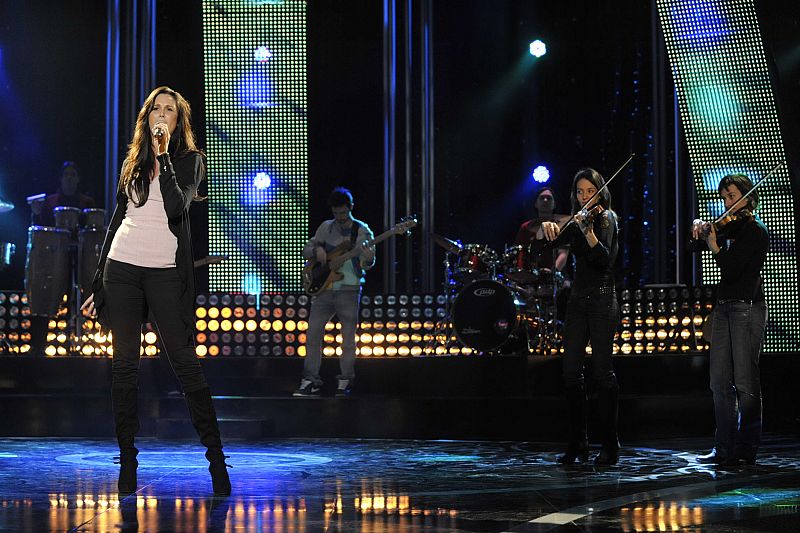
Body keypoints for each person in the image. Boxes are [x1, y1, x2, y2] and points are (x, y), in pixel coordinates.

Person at [80, 86, 231, 496]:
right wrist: (99, 280)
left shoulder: (190, 160)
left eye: (170, 110)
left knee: (184, 361)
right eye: (156, 109)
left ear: (178, 122)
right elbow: (117, 219)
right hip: (122, 267)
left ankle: (217, 460)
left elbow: (177, 208)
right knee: (124, 364)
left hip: (164, 272)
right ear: (146, 118)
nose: (162, 115)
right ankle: (127, 461)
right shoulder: (132, 161)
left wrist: (164, 158)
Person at [541, 168, 621, 465]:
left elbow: (604, 259)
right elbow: (547, 246)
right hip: (577, 300)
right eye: (579, 192)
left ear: (600, 192)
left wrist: (588, 232)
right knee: (571, 372)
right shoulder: (576, 221)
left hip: (602, 299)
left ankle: (610, 444)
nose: (585, 197)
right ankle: (578, 442)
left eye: (590, 191)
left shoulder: (607, 218)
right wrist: (549, 228)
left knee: (602, 372)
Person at [691, 173, 768, 467]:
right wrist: (698, 229)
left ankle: (746, 450)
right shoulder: (731, 227)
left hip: (746, 308)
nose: (726, 203)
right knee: (719, 381)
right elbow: (693, 248)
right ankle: (723, 448)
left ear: (747, 197)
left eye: (732, 196)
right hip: (724, 308)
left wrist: (714, 245)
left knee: (745, 382)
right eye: (724, 197)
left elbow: (733, 269)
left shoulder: (755, 230)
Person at [294, 187, 375, 397]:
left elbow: (367, 264)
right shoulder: (325, 227)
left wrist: (367, 257)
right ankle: (310, 380)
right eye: (336, 213)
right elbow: (306, 250)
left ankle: (345, 380)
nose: (339, 217)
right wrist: (317, 250)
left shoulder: (362, 231)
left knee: (347, 339)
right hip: (323, 291)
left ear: (351, 207)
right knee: (313, 335)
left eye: (343, 213)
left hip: (348, 290)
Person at [32, 161, 96, 226]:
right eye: (66, 174)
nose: (69, 177)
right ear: (61, 178)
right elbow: (42, 228)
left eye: (73, 175)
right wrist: (36, 214)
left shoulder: (87, 202)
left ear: (78, 179)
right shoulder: (49, 202)